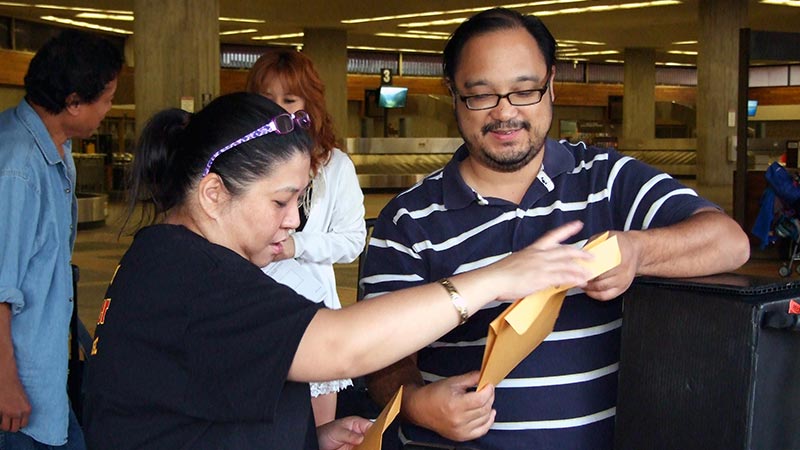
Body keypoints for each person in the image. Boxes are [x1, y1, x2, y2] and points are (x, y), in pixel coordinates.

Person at [82, 91, 599, 450]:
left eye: (301, 199)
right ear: (215, 193)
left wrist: (307, 438)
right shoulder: (192, 275)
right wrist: (497, 277)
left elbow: (199, 406)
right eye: (282, 200)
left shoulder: (170, 259)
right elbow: (341, 346)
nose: (294, 220)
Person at [360, 7, 751, 450]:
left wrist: (638, 251)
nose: (505, 113)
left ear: (551, 87)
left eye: (524, 91)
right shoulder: (408, 219)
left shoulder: (608, 180)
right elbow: (376, 353)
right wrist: (414, 403)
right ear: (453, 95)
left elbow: (729, 242)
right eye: (481, 95)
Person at [0, 30, 122, 449]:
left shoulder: (57, 149)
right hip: (17, 393)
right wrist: (6, 384)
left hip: (44, 377)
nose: (109, 109)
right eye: (105, 99)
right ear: (72, 102)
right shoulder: (17, 169)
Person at [246, 49, 366, 426]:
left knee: (318, 431)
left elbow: (352, 239)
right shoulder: (242, 161)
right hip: (250, 311)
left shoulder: (334, 166)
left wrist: (298, 246)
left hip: (312, 315)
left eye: (289, 99)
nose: (277, 110)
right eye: (267, 100)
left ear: (308, 104)